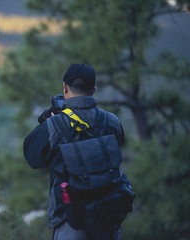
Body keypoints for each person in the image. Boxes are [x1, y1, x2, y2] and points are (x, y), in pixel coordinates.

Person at [23, 63, 125, 240]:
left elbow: (33, 158)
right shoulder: (112, 121)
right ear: (93, 90)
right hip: (107, 218)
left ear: (65, 87)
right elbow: (117, 147)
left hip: (68, 219)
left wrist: (53, 125)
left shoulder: (56, 125)